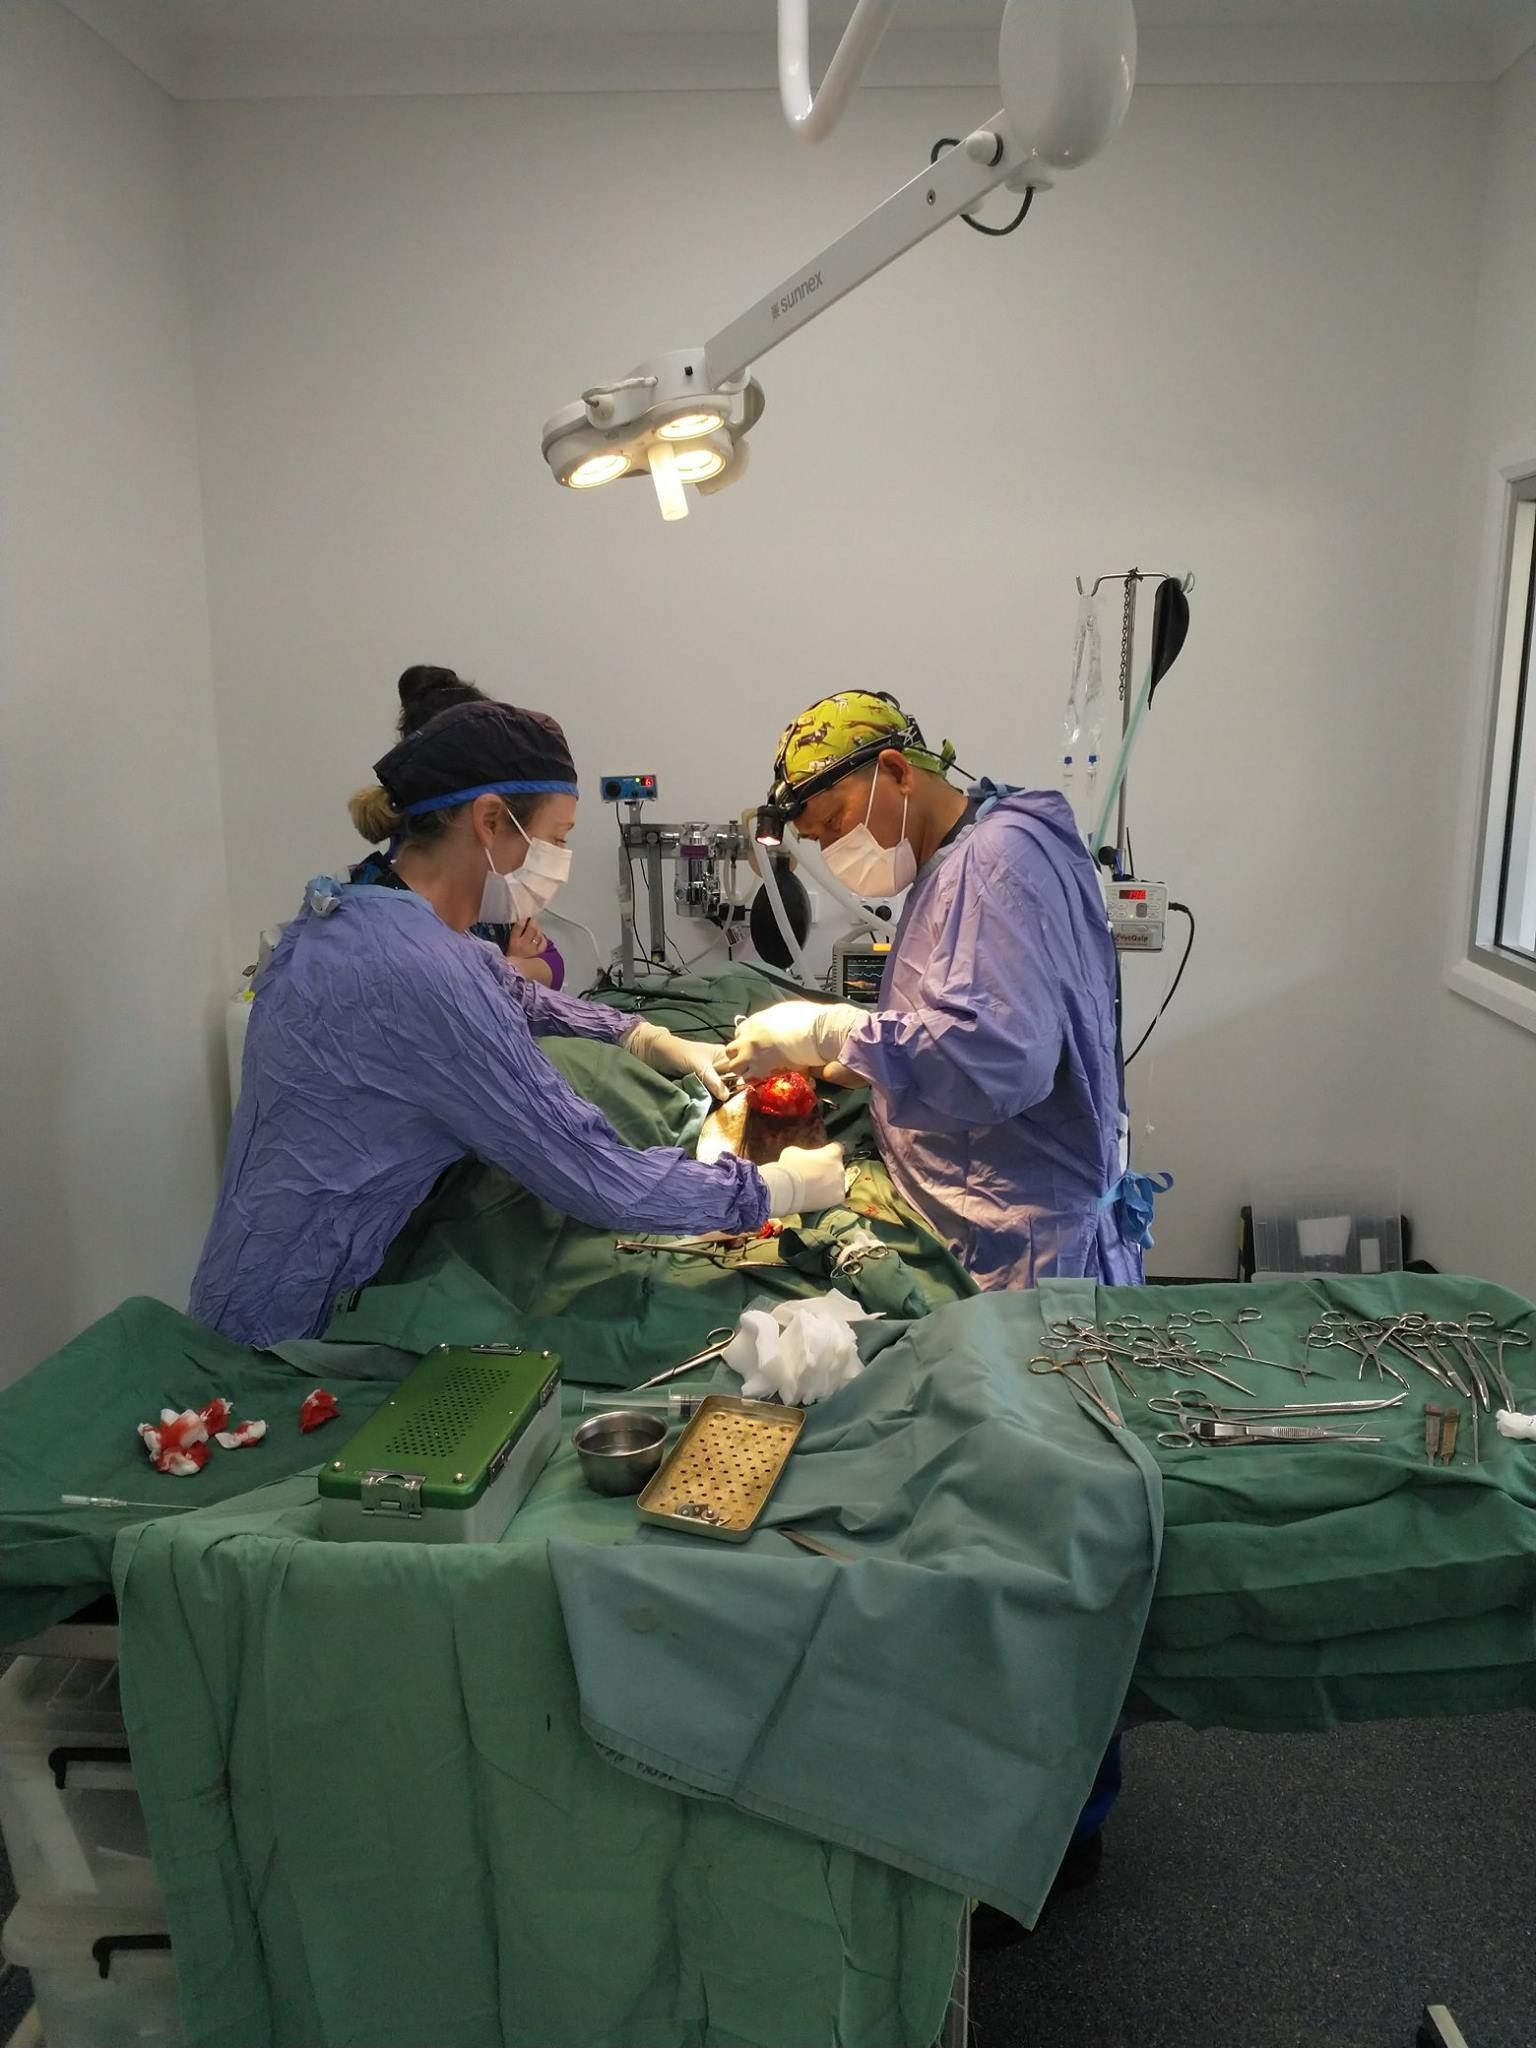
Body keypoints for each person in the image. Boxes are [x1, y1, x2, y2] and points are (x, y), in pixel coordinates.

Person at [191, 697, 844, 1348]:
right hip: (296, 1330)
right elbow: (594, 1176)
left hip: (242, 1286)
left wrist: (646, 1036)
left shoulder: (354, 917)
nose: (559, 856)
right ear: (491, 821)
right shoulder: (425, 977)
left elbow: (510, 990)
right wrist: (776, 1186)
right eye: (557, 838)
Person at [721, 689, 1157, 1289]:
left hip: (1026, 1253)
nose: (829, 847)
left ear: (897, 771)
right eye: (815, 837)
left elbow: (999, 1057)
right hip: (986, 1219)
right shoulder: (962, 858)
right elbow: (956, 1011)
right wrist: (857, 1061)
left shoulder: (995, 861)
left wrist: (830, 1032)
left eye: (834, 822)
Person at [358, 666, 566, 987]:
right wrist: (496, 968)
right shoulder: (380, 918)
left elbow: (552, 963)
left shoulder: (488, 890)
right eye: (557, 837)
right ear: (486, 818)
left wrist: (503, 968)